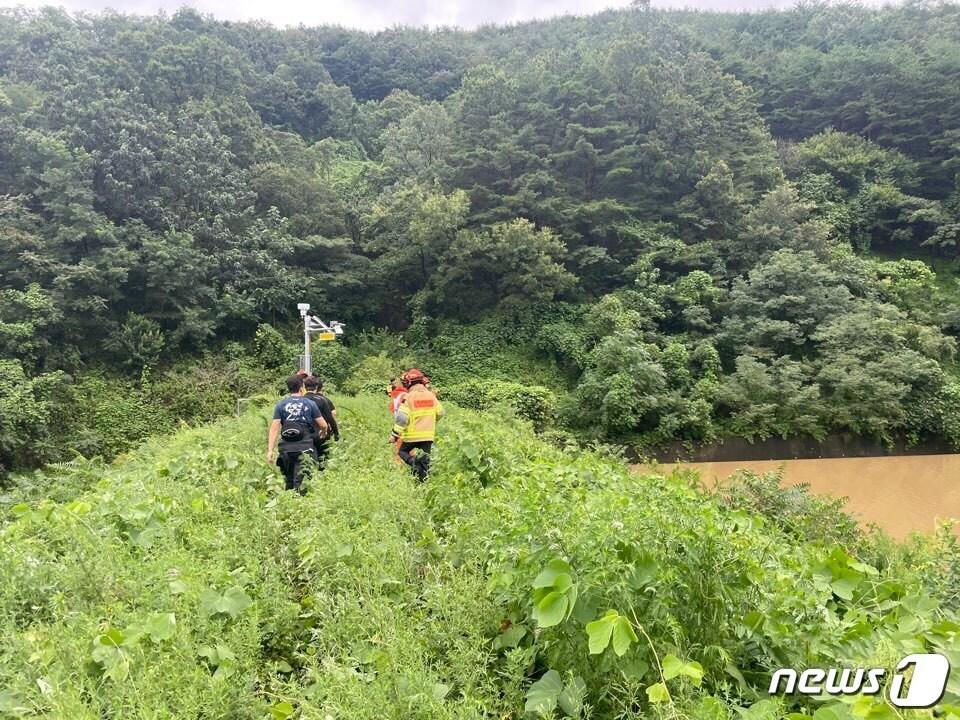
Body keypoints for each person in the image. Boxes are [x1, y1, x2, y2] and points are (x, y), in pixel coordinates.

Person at [267, 373, 329, 493]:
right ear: (302, 387)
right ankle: (301, 504)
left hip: (285, 448)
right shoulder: (310, 404)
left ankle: (290, 504)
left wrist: (270, 450)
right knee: (302, 481)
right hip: (305, 446)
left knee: (289, 480)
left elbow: (274, 428)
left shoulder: (280, 405)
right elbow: (323, 424)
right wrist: (323, 432)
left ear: (288, 388)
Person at [390, 368, 443, 481]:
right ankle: (422, 484)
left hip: (412, 436)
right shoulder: (431, 396)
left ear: (408, 383)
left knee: (402, 451)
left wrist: (394, 435)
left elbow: (402, 418)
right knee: (425, 462)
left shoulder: (408, 397)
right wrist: (431, 421)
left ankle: (414, 462)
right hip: (428, 435)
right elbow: (441, 413)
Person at [304, 375, 339, 468]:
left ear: (304, 387)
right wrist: (336, 434)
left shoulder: (301, 401)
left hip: (305, 435)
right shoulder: (322, 400)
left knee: (307, 460)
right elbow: (330, 418)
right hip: (321, 434)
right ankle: (322, 474)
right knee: (323, 459)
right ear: (316, 387)